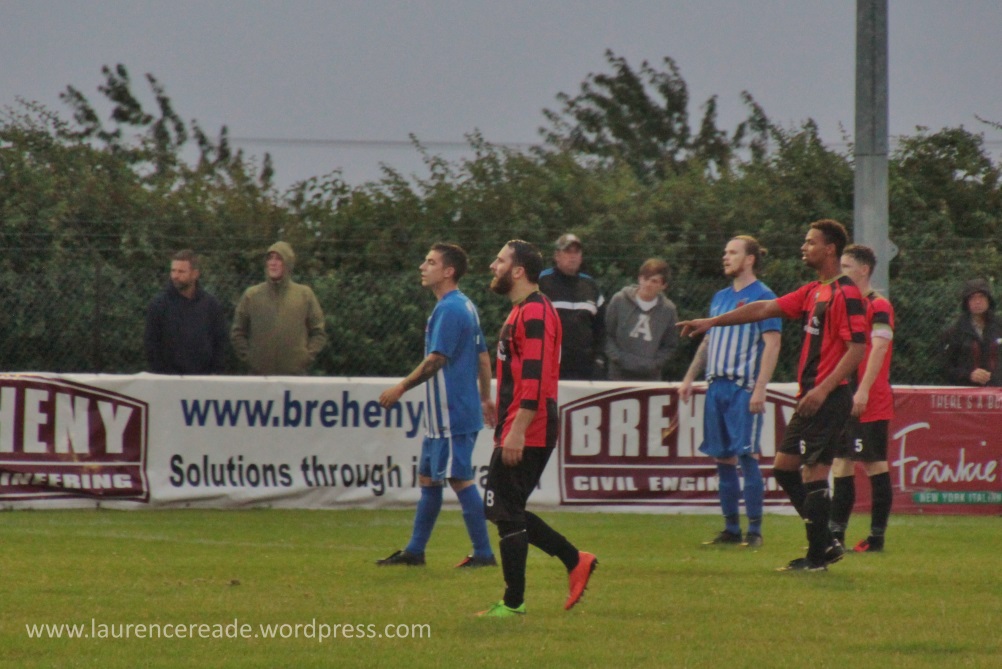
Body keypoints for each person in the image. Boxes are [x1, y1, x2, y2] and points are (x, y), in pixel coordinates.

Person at [679, 219, 866, 572]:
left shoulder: (846, 294)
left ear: (829, 249)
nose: (804, 247)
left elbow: (857, 348)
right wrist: (711, 322)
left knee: (814, 473)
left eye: (811, 242)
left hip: (829, 396)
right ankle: (825, 542)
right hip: (811, 395)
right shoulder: (813, 291)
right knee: (784, 468)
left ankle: (817, 557)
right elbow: (764, 308)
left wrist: (823, 389)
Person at [478, 239, 597, 617]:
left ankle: (514, 602)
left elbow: (536, 376)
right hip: (521, 422)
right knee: (506, 508)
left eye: (499, 260)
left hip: (529, 426)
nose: (493, 266)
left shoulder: (534, 312)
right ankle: (574, 560)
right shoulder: (524, 310)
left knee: (504, 510)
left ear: (517, 271)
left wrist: (518, 428)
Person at [375, 243, 497, 568]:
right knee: (428, 478)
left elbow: (436, 360)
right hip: (442, 417)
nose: (422, 267)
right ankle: (415, 552)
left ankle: (484, 554)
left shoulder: (451, 309)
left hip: (451, 415)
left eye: (430, 262)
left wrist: (400, 387)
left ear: (448, 271)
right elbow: (483, 357)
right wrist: (486, 397)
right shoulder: (464, 305)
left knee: (459, 478)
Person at [679, 236, 781, 548]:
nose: (725, 257)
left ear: (750, 259)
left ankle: (755, 531)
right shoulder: (720, 297)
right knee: (722, 458)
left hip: (742, 387)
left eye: (733, 252)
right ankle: (731, 529)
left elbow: (772, 343)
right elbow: (709, 340)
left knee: (747, 455)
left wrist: (759, 388)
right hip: (716, 386)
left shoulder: (764, 297)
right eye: (725, 252)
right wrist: (689, 377)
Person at [829, 244, 895, 553]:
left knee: (873, 463)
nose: (841, 273)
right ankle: (836, 536)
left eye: (846, 267)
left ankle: (876, 538)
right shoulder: (845, 304)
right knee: (841, 463)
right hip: (845, 394)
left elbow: (879, 348)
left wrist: (864, 389)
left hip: (868, 397)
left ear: (864, 269)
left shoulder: (879, 305)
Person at [230, 241, 327, 375]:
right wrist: (250, 358)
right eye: (270, 258)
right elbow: (238, 332)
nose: (273, 263)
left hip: (294, 378)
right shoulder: (251, 295)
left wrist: (305, 358)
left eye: (278, 259)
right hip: (259, 378)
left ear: (288, 263)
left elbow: (318, 332)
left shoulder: (304, 295)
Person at [144, 249, 228, 375]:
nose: (175, 276)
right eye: (173, 271)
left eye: (181, 271)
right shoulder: (159, 305)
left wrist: (215, 372)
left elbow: (220, 341)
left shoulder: (211, 305)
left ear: (195, 274)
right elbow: (151, 344)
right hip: (168, 379)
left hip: (204, 378)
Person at [538, 233, 605, 380]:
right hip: (549, 366)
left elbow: (600, 328)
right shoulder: (541, 282)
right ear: (557, 256)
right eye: (568, 251)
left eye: (577, 252)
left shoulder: (591, 286)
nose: (573, 256)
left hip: (584, 369)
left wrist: (599, 358)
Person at [604, 258, 679, 381]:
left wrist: (654, 364)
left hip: (650, 377)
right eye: (645, 278)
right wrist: (618, 358)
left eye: (654, 281)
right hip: (618, 374)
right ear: (639, 278)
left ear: (663, 285)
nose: (648, 284)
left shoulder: (668, 310)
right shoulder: (619, 300)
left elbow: (670, 345)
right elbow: (606, 334)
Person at [941, 278, 1002, 386]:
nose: (977, 301)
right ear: (966, 303)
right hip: (967, 391)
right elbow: (945, 368)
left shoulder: (999, 327)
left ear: (989, 300)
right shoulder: (955, 332)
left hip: (998, 391)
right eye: (972, 298)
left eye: (981, 296)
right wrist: (969, 375)